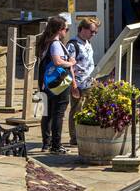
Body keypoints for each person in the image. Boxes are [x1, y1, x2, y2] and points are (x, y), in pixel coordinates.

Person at [35, 15, 76, 154]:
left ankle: (46, 143)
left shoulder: (44, 42)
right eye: (66, 28)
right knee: (58, 114)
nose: (67, 31)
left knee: (46, 114)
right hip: (59, 84)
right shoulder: (56, 44)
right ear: (59, 30)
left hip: (46, 84)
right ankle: (56, 145)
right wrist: (70, 63)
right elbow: (58, 61)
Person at [66, 17, 100, 147]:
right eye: (92, 31)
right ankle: (74, 137)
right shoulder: (73, 44)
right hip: (79, 84)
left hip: (89, 82)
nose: (94, 34)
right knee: (76, 110)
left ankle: (85, 134)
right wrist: (73, 85)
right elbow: (69, 66)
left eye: (95, 32)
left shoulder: (87, 43)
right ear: (83, 29)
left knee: (88, 110)